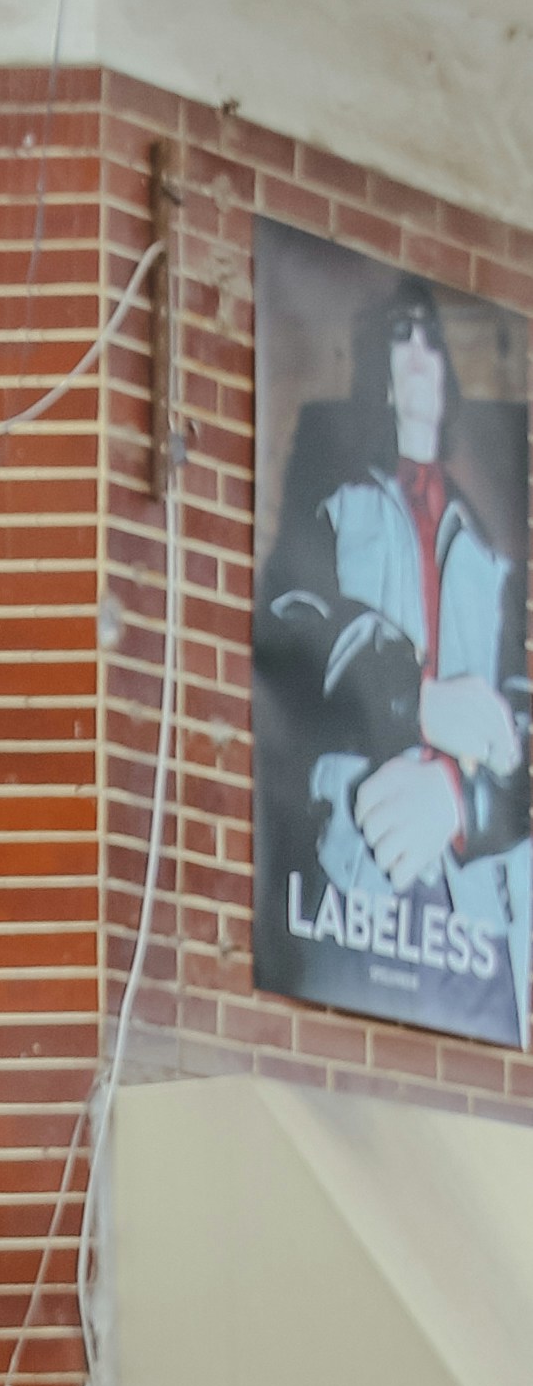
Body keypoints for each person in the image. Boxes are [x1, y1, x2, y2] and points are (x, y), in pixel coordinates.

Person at [256, 271, 531, 1026]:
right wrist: (417, 700)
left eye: (429, 338)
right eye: (399, 337)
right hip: (357, 885)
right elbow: (292, 622)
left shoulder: (490, 555)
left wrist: (458, 795)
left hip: (481, 919)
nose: (415, 354)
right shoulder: (337, 505)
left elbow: (520, 717)